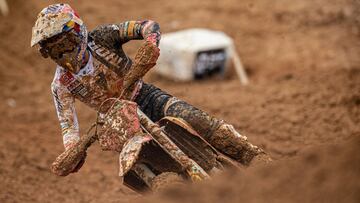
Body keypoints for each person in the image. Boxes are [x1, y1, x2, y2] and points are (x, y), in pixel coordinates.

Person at [31, 4, 268, 173]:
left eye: (66, 44)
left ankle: (254, 157)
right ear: (47, 54)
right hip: (116, 122)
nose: (65, 54)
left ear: (78, 32)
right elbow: (68, 128)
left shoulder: (101, 38)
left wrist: (151, 43)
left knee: (196, 120)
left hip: (143, 96)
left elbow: (147, 26)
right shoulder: (60, 84)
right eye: (55, 51)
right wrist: (74, 152)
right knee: (137, 169)